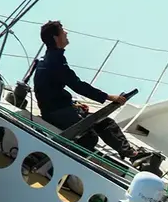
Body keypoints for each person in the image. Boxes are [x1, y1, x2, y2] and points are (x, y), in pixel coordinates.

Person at [34, 20, 153, 165]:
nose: (66, 33)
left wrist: (73, 105)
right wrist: (109, 97)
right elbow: (77, 85)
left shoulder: (51, 58)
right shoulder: (55, 60)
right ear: (55, 37)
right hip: (56, 112)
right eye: (62, 30)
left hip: (59, 108)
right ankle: (58, 166)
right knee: (89, 137)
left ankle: (131, 154)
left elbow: (52, 89)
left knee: (105, 122)